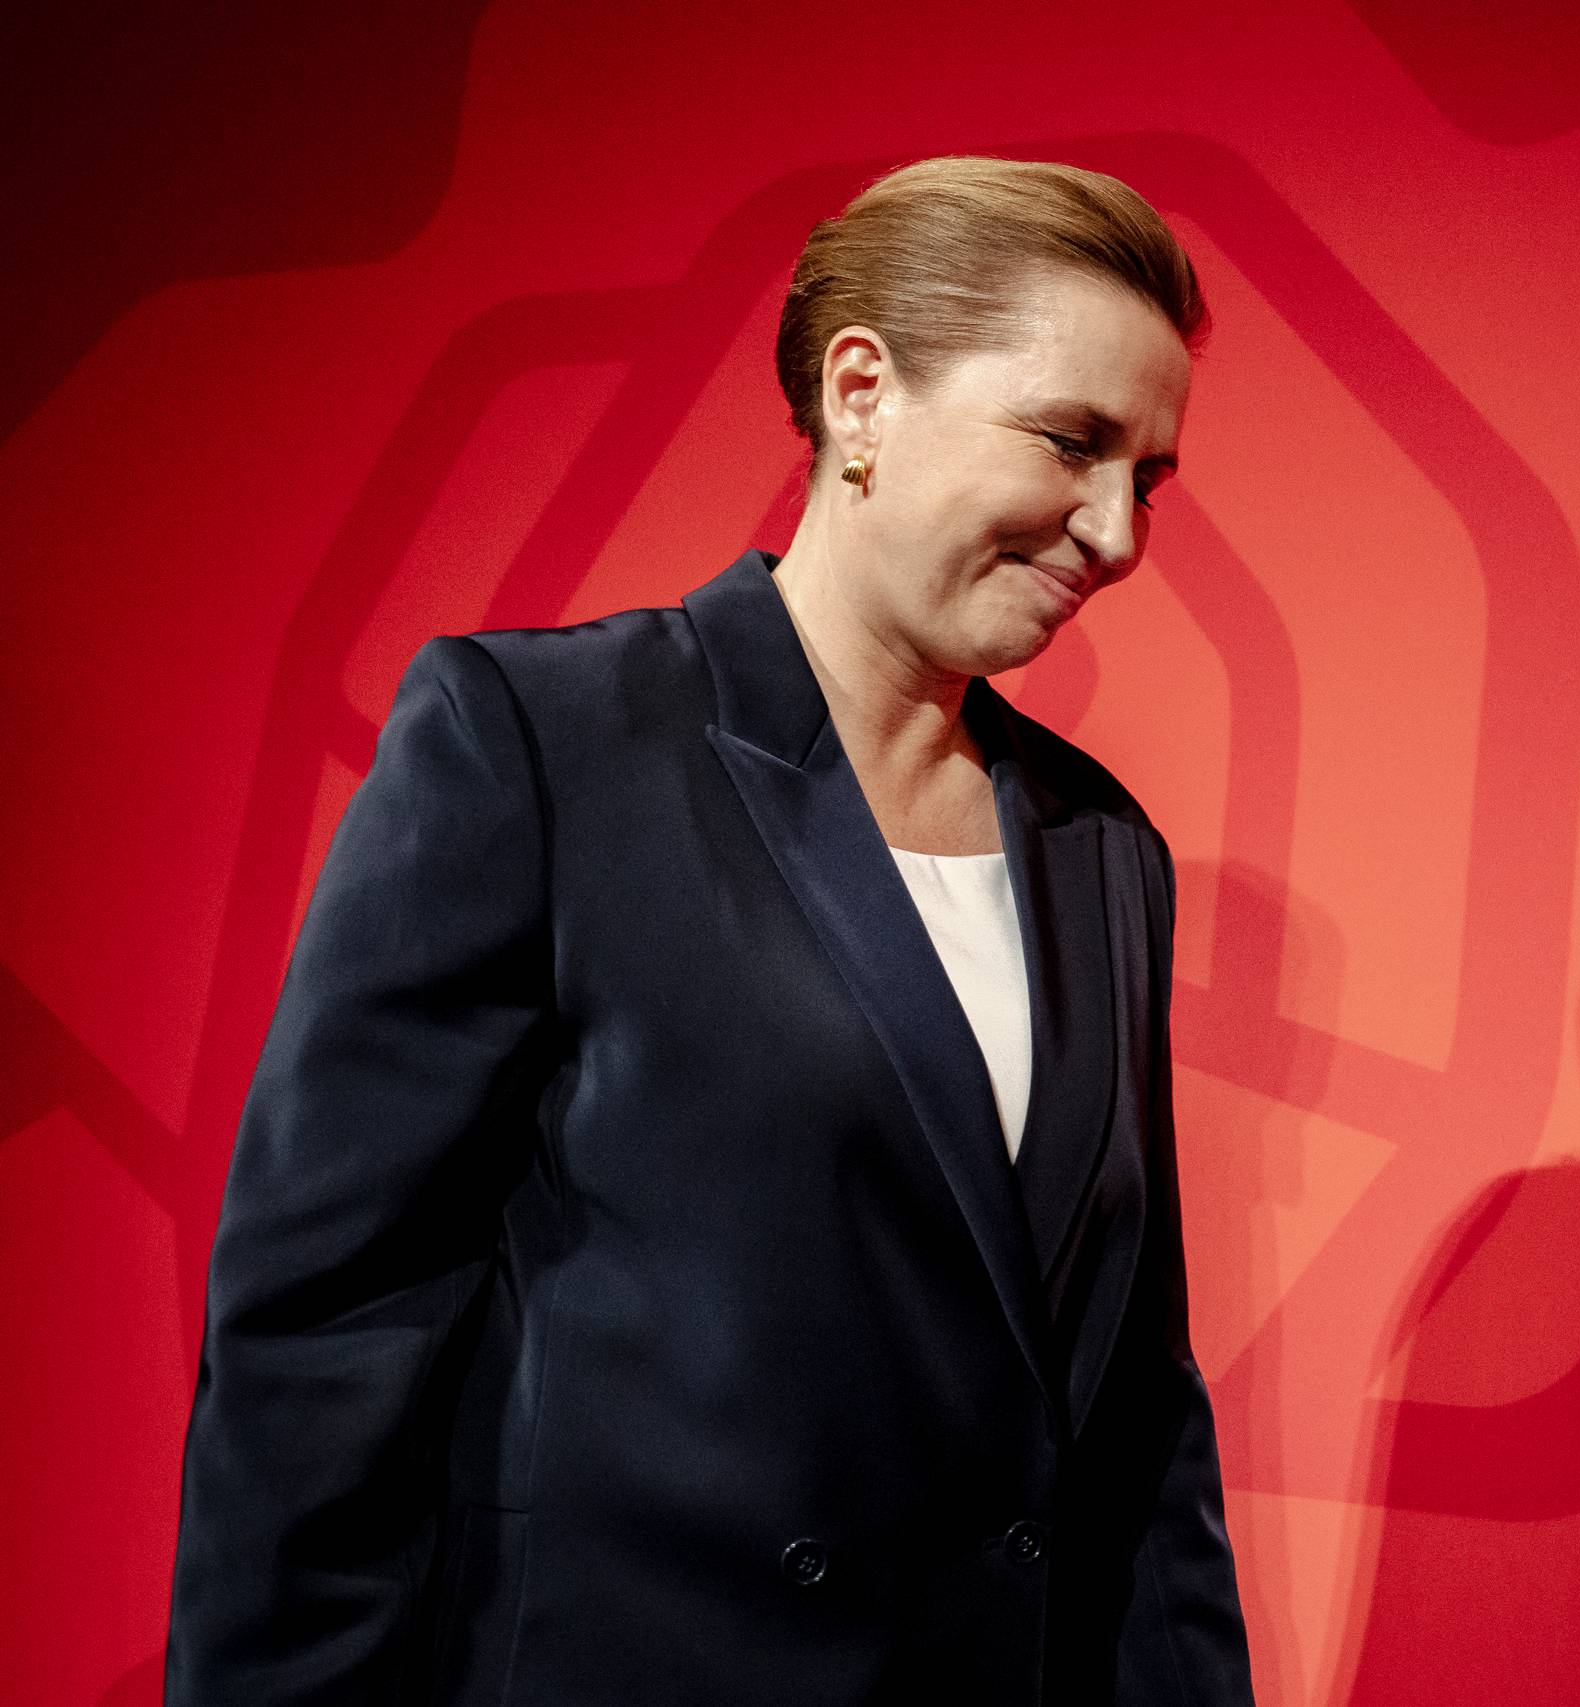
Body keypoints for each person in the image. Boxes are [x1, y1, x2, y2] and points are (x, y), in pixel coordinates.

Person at [165, 155, 1255, 1705]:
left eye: (1149, 476)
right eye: (1072, 441)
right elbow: (328, 1335)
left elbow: (1135, 1412)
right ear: (861, 395)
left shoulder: (1102, 849)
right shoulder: (540, 743)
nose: (1118, 531)